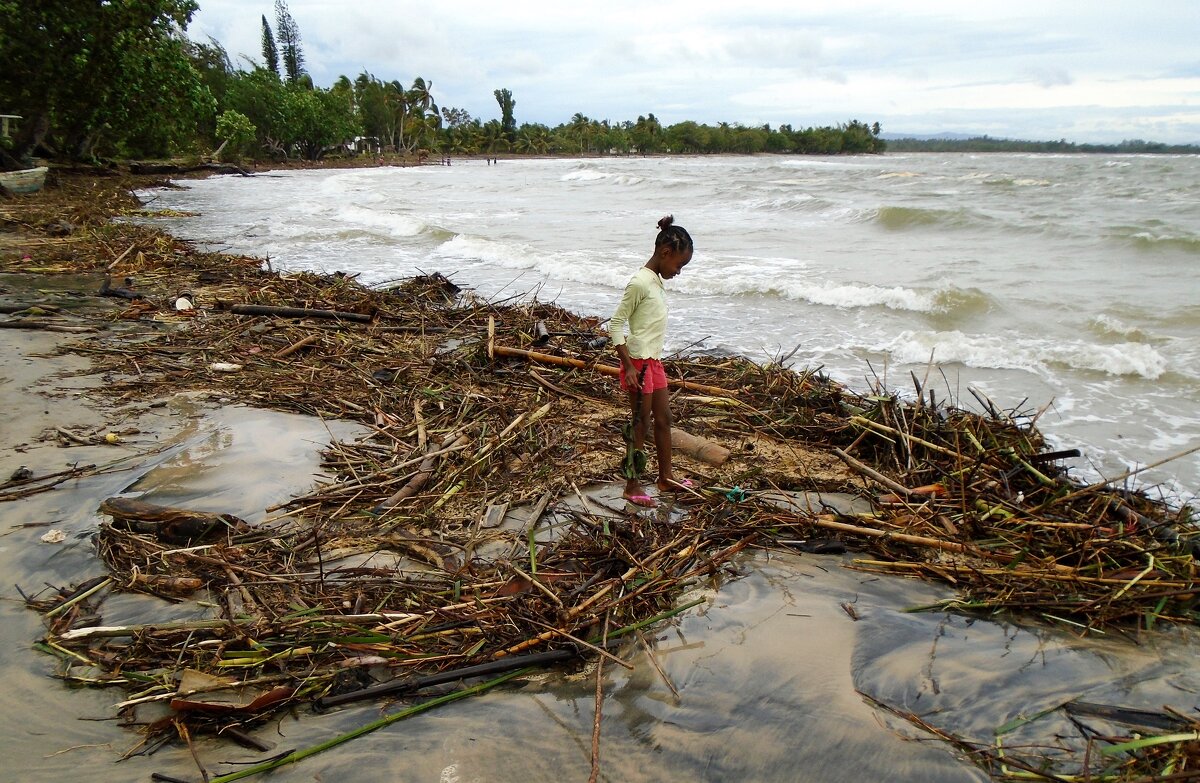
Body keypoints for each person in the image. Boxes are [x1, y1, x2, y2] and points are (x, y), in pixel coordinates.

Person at [609, 215, 695, 507]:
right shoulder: (639, 283)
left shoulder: (655, 281)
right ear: (665, 253)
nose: (679, 272)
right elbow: (615, 324)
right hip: (638, 364)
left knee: (665, 419)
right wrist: (629, 366)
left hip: (653, 363)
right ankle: (632, 485)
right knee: (639, 423)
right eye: (679, 265)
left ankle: (665, 478)